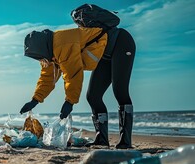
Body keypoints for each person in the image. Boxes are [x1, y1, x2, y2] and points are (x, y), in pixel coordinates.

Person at [21, 21, 136, 149]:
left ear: (40, 48)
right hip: (103, 54)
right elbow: (47, 78)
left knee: (120, 91)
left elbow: (73, 75)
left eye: (37, 56)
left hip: (120, 42)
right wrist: (35, 100)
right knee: (93, 96)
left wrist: (69, 102)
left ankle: (126, 141)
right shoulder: (49, 54)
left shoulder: (62, 44)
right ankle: (102, 139)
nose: (39, 60)